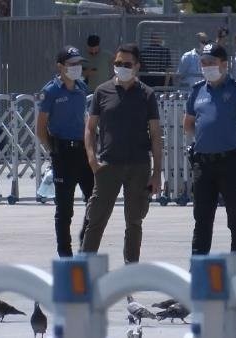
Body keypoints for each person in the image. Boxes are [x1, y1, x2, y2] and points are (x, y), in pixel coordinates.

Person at [81, 43, 162, 264]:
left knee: (134, 222)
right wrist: (92, 158)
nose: (121, 67)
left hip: (138, 166)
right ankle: (82, 270)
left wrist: (156, 174)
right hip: (108, 165)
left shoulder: (147, 94)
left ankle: (131, 272)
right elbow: (90, 129)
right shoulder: (102, 91)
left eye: (127, 64)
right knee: (96, 220)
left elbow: (155, 134)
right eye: (118, 63)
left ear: (137, 66)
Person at [183, 43, 236, 268]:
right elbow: (188, 124)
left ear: (224, 65)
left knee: (235, 218)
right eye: (204, 62)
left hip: (231, 162)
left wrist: (234, 141)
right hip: (204, 164)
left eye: (211, 62)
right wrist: (206, 140)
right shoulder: (197, 90)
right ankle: (197, 272)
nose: (207, 66)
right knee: (202, 220)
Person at [37, 46, 94, 257]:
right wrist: (52, 149)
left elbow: (85, 118)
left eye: (79, 64)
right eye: (72, 64)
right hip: (63, 153)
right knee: (65, 209)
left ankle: (85, 245)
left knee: (94, 202)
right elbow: (41, 127)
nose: (77, 68)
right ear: (60, 67)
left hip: (83, 152)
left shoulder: (81, 88)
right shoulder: (51, 91)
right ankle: (65, 254)